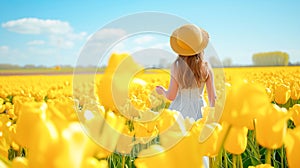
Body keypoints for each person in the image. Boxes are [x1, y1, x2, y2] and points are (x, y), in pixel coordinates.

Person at [156, 24, 216, 120]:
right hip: (199, 112)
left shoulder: (176, 66)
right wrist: (211, 117)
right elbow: (213, 98)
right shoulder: (206, 67)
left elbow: (171, 96)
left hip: (178, 112)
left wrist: (162, 91)